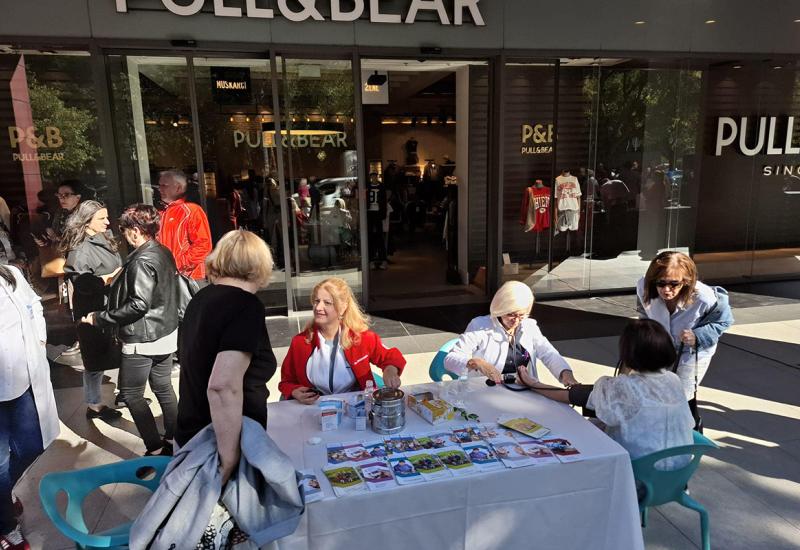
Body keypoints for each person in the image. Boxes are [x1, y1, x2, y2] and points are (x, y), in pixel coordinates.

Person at [519, 319, 694, 469]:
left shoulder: (624, 387)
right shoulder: (673, 380)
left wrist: (532, 383)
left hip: (638, 473)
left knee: (579, 436)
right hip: (679, 468)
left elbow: (571, 396)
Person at [174, 230, 276, 483]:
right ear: (259, 265)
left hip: (192, 432)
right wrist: (228, 459)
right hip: (218, 442)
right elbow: (222, 386)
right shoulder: (245, 305)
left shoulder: (201, 299)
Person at [82, 204, 179, 456]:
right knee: (164, 388)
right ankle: (174, 439)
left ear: (136, 231)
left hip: (143, 338)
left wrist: (100, 318)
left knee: (132, 394)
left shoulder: (141, 261)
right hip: (165, 332)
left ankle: (155, 447)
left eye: (124, 230)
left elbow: (138, 304)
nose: (123, 235)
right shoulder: (162, 251)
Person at [636, 251, 733, 426]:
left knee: (680, 397)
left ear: (686, 281)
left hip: (691, 352)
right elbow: (643, 311)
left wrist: (698, 336)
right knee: (652, 390)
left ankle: (684, 433)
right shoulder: (643, 286)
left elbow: (724, 321)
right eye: (661, 283)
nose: (667, 289)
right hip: (661, 347)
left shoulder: (704, 297)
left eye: (674, 284)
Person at [1, 264, 60, 550]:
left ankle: (2, 494)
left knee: (33, 446)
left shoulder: (10, 272)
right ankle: (6, 526)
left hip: (23, 382)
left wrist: (40, 337)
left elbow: (33, 303)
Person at [279, 277, 405, 404]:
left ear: (343, 307)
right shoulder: (300, 342)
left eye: (327, 303)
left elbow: (391, 357)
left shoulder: (361, 338)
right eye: (317, 301)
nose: (318, 307)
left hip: (354, 408)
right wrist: (294, 390)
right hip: (313, 410)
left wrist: (390, 371)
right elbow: (286, 382)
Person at [445, 280, 577, 386]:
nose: (516, 320)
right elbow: (450, 359)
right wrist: (477, 363)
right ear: (500, 308)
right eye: (511, 314)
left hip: (524, 388)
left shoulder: (529, 326)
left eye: (522, 315)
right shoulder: (480, 326)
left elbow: (549, 353)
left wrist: (566, 374)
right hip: (487, 389)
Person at [61, 200, 123, 421]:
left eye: (107, 217)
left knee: (116, 350)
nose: (108, 222)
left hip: (110, 305)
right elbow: (81, 282)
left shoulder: (104, 238)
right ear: (87, 221)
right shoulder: (79, 249)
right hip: (91, 311)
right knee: (94, 359)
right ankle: (94, 405)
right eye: (102, 218)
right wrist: (108, 279)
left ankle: (126, 392)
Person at [157, 169, 212, 281]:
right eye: (159, 185)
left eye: (164, 185)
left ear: (178, 188)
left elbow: (203, 245)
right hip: (167, 276)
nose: (160, 189)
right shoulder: (160, 212)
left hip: (189, 277)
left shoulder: (192, 210)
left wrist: (178, 264)